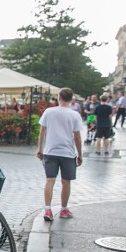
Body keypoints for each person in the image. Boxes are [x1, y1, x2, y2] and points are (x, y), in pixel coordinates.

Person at [37, 87, 83, 221]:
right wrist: (79, 154)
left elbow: (42, 132)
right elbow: (77, 137)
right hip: (67, 152)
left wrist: (40, 149)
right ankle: (63, 209)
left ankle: (47, 210)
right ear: (71, 99)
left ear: (59, 97)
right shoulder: (75, 115)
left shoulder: (49, 112)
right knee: (66, 182)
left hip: (50, 151)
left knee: (50, 180)